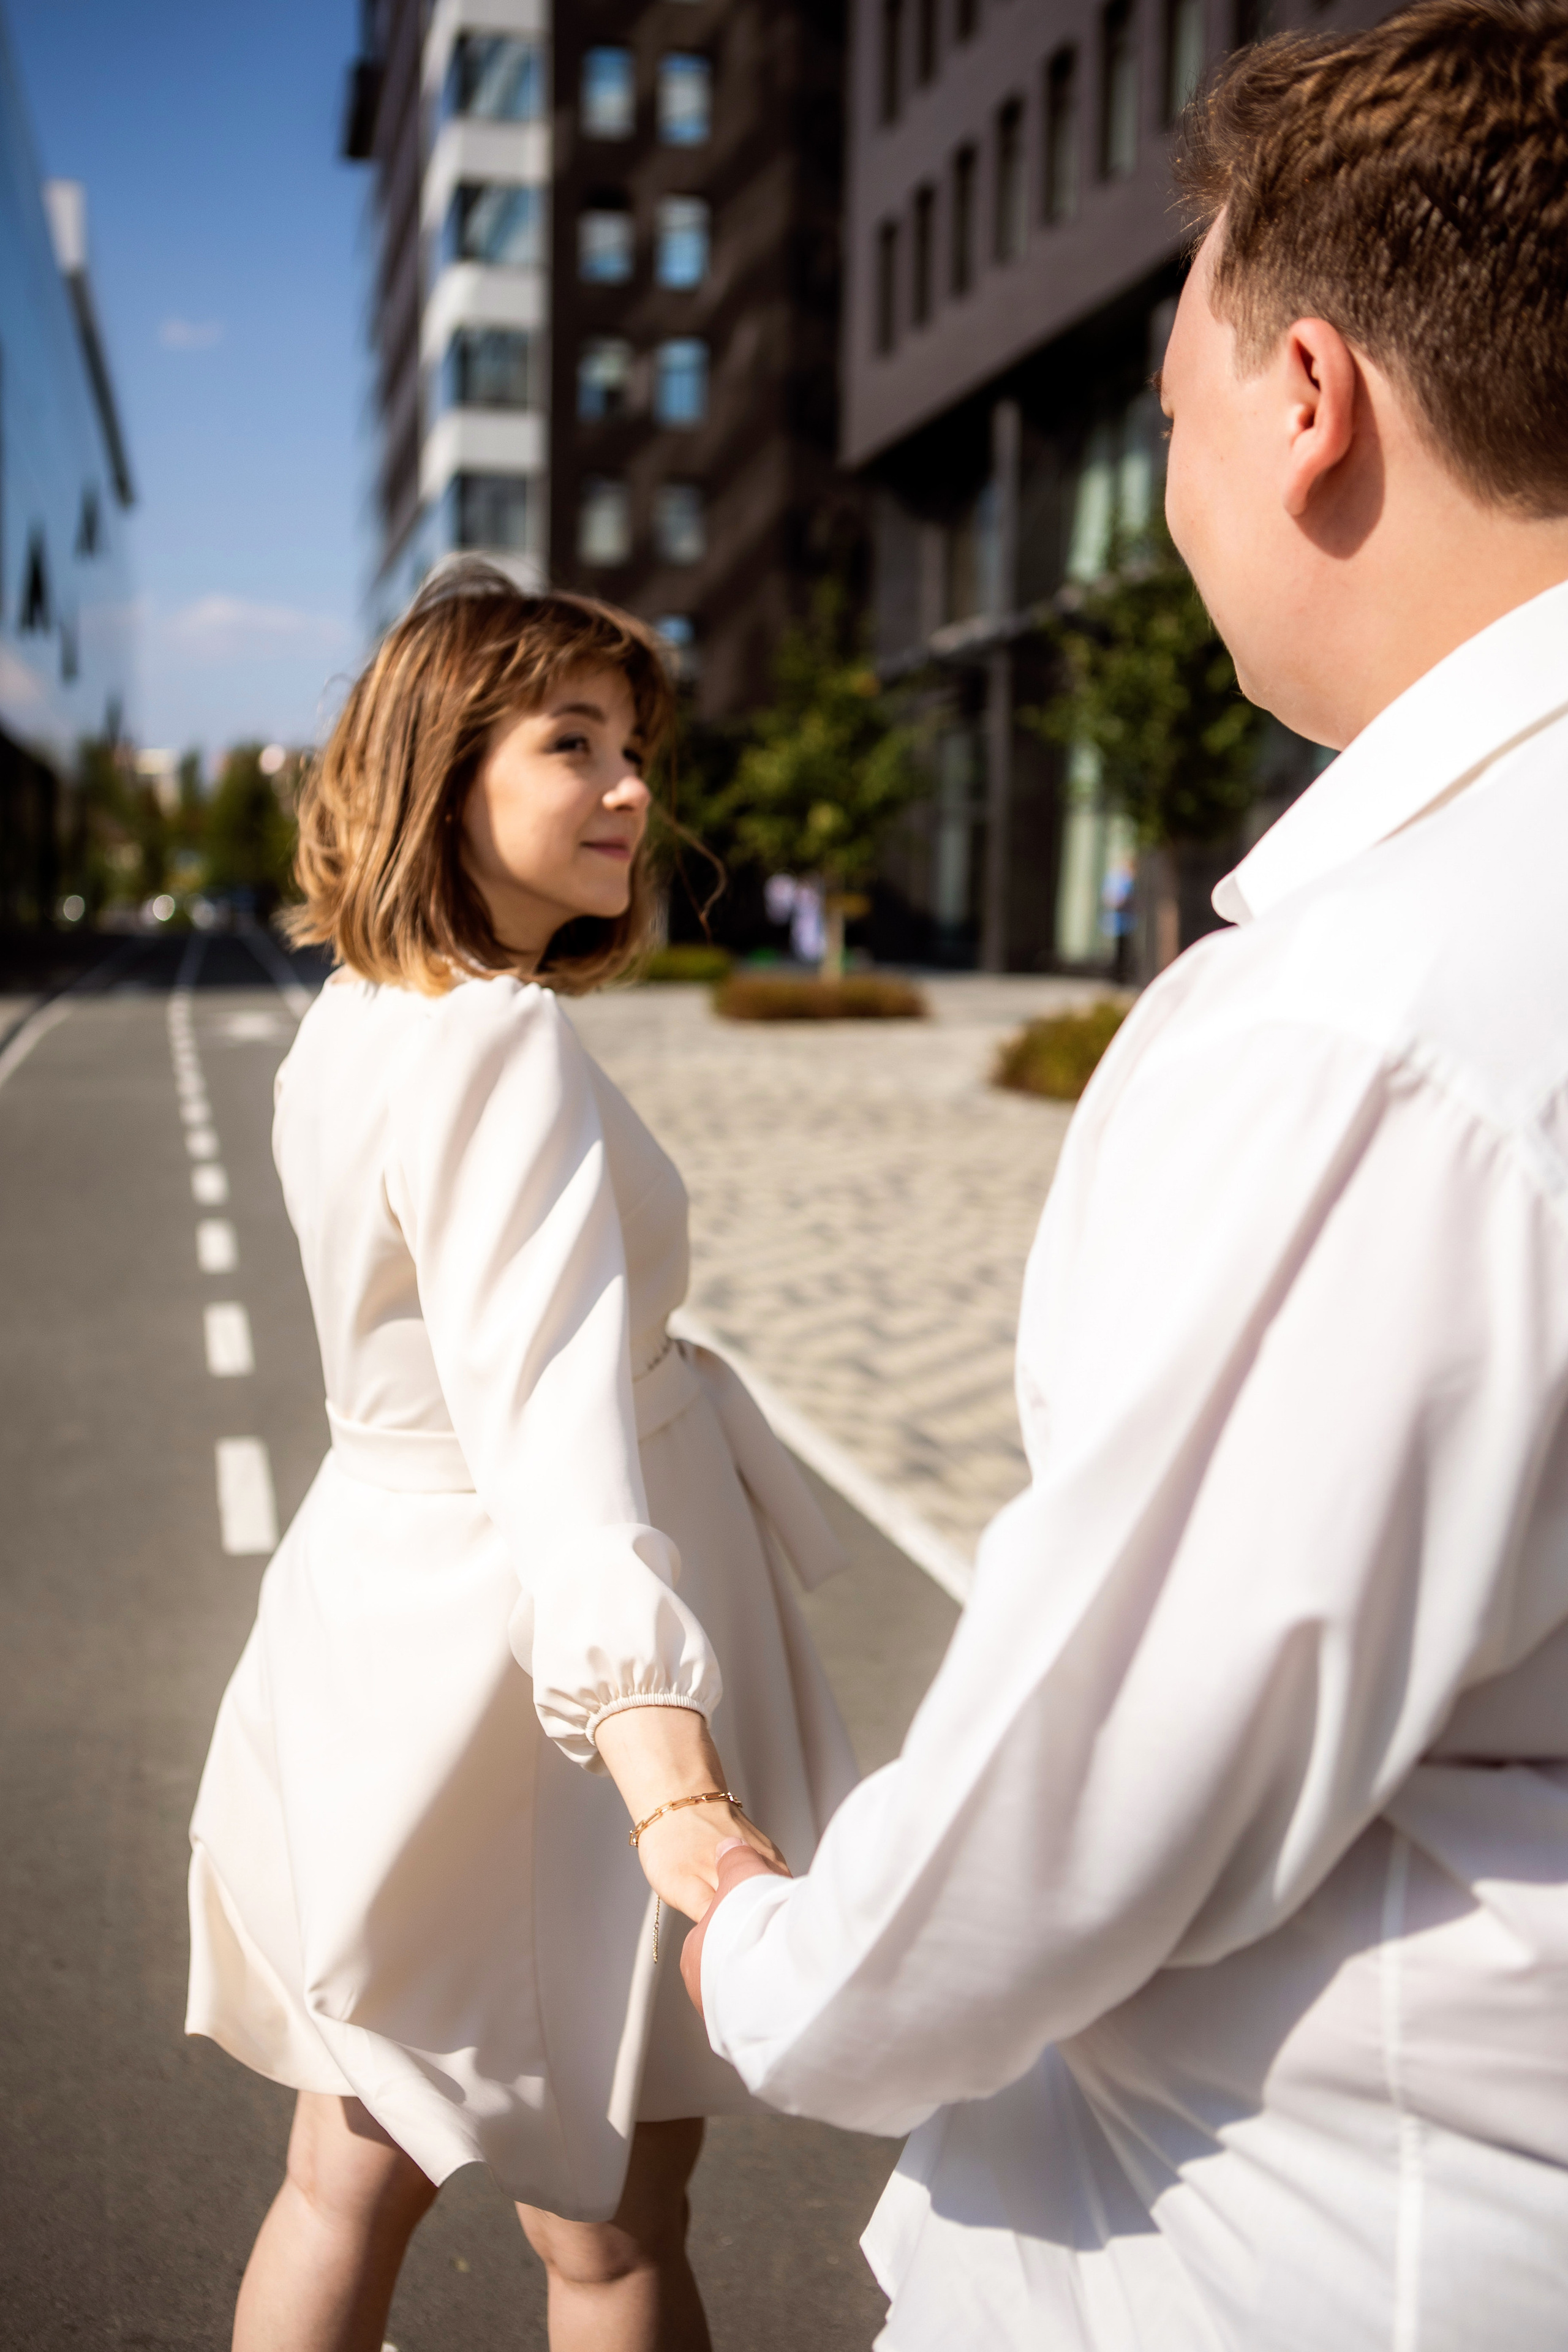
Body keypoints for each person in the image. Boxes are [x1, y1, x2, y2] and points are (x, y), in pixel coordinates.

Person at [680, 6, 1568, 2345]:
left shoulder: (1383, 1021)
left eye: (1166, 414)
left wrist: (746, 1933)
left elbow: (1075, 1806)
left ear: (1307, 399)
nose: (1165, 486)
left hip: (1282, 2246)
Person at [185, 568, 858, 2352]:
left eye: (637, 746)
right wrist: (675, 1789)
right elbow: (552, 1433)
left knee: (345, 2166)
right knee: (615, 2232)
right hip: (541, 1670)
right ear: (442, 770)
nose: (633, 786)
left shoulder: (355, 1019)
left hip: (378, 1626)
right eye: (575, 744)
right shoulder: (499, 1043)